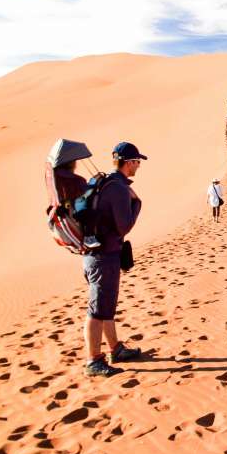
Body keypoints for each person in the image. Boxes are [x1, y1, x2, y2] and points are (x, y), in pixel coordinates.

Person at [82, 141, 146, 377]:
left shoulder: (103, 181)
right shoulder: (118, 188)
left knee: (106, 306)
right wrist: (136, 203)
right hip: (103, 256)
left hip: (96, 254)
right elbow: (124, 226)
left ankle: (115, 349)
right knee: (97, 310)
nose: (138, 166)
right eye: (137, 162)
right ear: (128, 163)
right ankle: (93, 361)